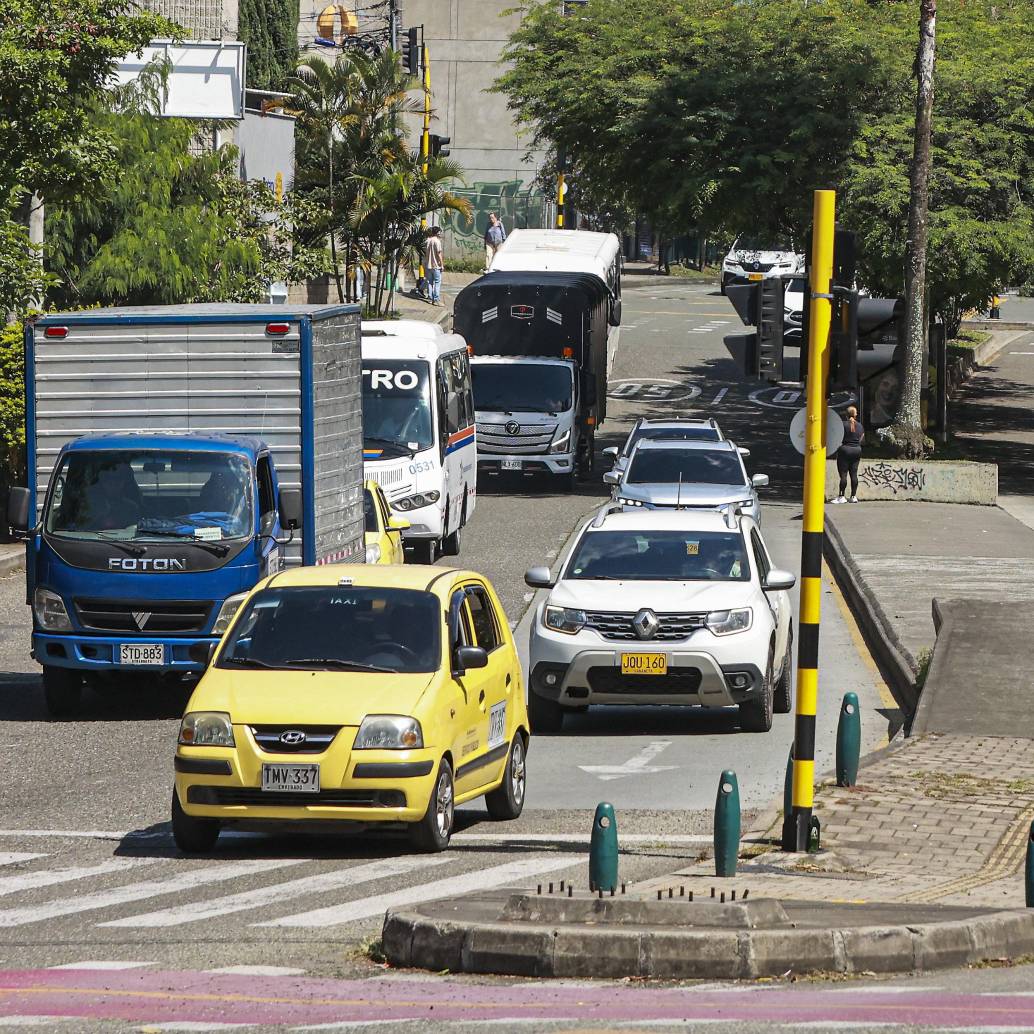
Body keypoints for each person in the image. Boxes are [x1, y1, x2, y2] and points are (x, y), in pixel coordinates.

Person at [833, 405, 865, 504]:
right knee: (854, 474)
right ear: (855, 415)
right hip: (857, 450)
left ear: (846, 415)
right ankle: (853, 496)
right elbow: (861, 437)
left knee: (843, 475)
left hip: (845, 450)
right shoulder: (860, 425)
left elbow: (837, 437)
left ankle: (841, 496)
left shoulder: (842, 425)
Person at [424, 226, 444, 305]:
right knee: (437, 282)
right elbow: (439, 254)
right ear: (438, 232)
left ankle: (430, 297)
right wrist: (442, 265)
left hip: (428, 265)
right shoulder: (437, 241)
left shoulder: (427, 241)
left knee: (430, 282)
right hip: (436, 265)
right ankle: (436, 299)